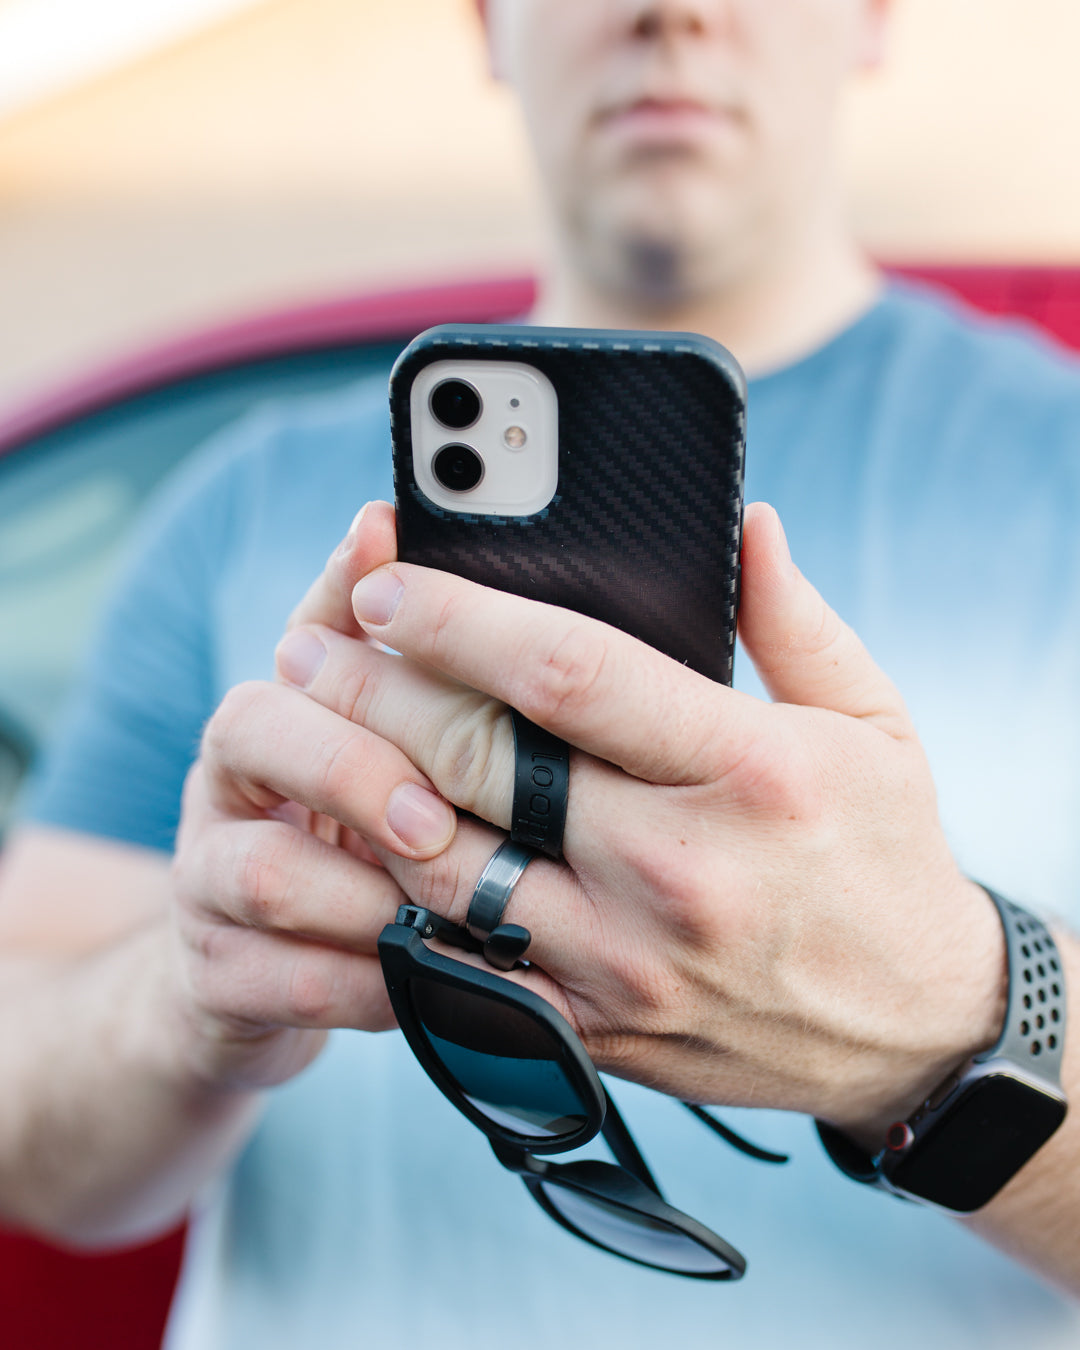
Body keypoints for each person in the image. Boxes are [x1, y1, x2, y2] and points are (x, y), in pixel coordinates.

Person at [2, 1, 1079, 1346]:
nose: (669, 13)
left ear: (868, 16)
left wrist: (945, 1022)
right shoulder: (237, 507)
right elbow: (25, 1130)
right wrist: (185, 995)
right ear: (487, 23)